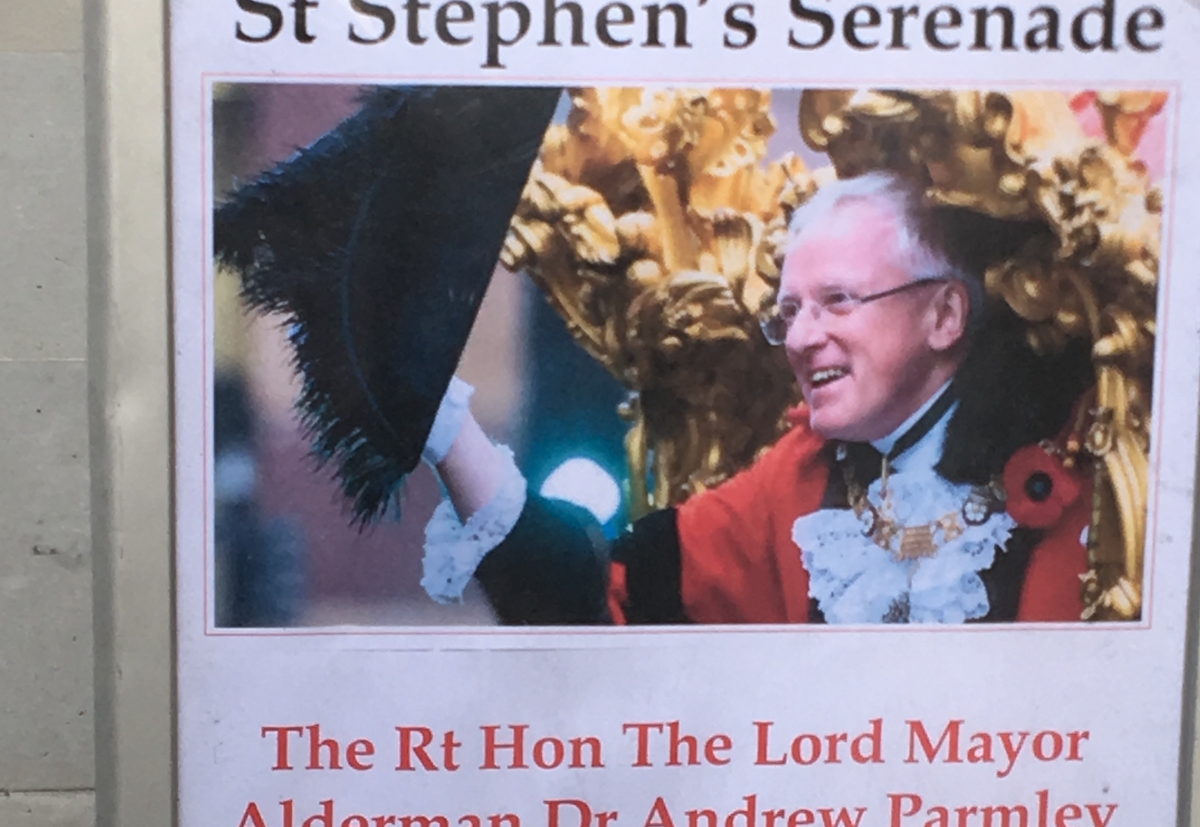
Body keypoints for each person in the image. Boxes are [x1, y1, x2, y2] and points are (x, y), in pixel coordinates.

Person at [420, 172, 1096, 626]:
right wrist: (449, 428)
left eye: (837, 301)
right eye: (791, 312)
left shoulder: (1079, 450)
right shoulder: (798, 477)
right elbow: (602, 602)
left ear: (945, 315)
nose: (801, 338)